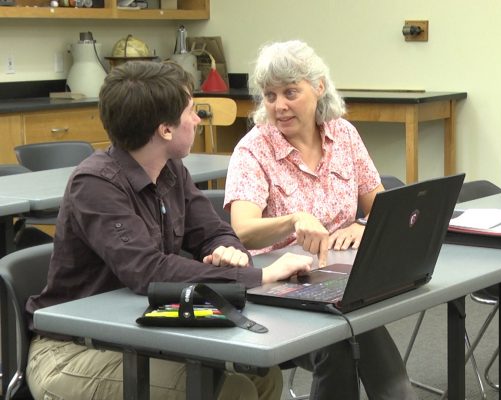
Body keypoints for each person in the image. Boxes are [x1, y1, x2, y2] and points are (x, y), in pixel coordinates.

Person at [24, 60, 314, 400]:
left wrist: (229, 251)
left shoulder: (171, 170)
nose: (196, 119)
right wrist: (257, 277)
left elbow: (213, 231)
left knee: (263, 377)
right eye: (191, 111)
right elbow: (146, 271)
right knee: (231, 389)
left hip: (140, 333)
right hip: (72, 352)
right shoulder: (96, 184)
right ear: (165, 130)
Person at [224, 40, 418, 400]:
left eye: (290, 92)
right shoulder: (253, 150)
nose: (279, 106)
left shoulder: (342, 134)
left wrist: (360, 225)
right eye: (269, 95)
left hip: (338, 280)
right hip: (277, 288)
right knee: (342, 344)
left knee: (357, 325)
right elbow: (244, 231)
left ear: (319, 87)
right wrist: (293, 221)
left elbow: (380, 207)